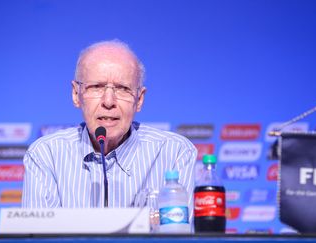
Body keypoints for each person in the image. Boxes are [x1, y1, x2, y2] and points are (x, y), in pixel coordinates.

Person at [22, 40, 197, 210]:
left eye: (122, 89)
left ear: (139, 99)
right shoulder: (46, 155)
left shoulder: (174, 153)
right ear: (76, 94)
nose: (108, 101)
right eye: (96, 87)